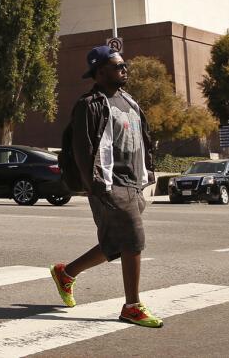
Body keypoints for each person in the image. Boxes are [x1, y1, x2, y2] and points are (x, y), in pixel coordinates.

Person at [52, 46, 161, 328]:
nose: (124, 69)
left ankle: (67, 273)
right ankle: (132, 306)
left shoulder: (130, 102)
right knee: (134, 239)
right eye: (117, 65)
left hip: (134, 181)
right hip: (109, 182)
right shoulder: (89, 104)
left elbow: (141, 141)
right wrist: (96, 187)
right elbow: (82, 149)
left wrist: (147, 174)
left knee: (116, 243)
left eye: (124, 64)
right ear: (100, 72)